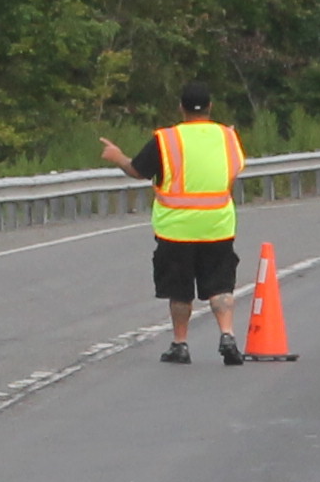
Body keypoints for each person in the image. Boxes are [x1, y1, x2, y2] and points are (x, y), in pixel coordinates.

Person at [104, 85, 252, 365]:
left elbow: (138, 170)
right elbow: (232, 173)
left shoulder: (167, 139)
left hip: (175, 228)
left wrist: (117, 156)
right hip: (217, 225)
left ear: (180, 107)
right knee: (221, 285)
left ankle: (180, 344)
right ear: (210, 106)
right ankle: (227, 335)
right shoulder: (227, 137)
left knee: (180, 290)